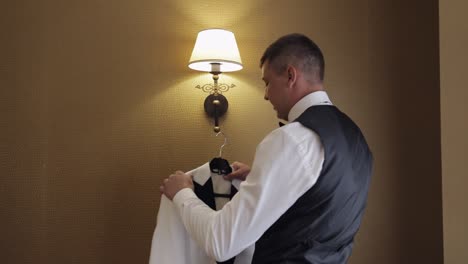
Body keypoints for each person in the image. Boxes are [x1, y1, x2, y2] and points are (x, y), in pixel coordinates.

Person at [160, 33, 373, 263]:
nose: (265, 95)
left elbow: (221, 243)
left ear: (291, 75)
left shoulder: (291, 139)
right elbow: (322, 203)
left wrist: (182, 193)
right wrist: (263, 177)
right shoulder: (357, 140)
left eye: (267, 82)